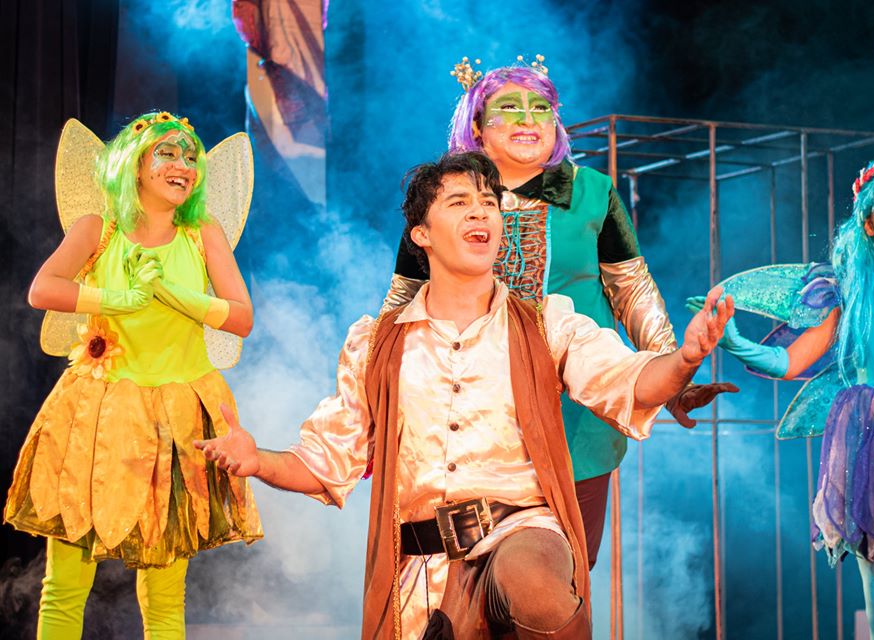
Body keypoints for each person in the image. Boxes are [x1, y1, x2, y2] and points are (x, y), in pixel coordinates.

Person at [196, 151, 733, 639]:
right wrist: (257, 460)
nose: (481, 213)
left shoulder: (546, 323)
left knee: (534, 584)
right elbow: (326, 463)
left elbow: (628, 380)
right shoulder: (376, 344)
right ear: (421, 234)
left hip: (521, 531)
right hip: (420, 574)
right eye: (459, 203)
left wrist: (684, 358)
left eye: (489, 204)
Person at [382, 59, 736, 568]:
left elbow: (632, 289)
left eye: (542, 108)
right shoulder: (444, 199)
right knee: (463, 572)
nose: (529, 119)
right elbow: (403, 302)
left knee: (562, 575)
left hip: (576, 416)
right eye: (510, 108)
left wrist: (672, 373)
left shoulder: (592, 192)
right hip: (468, 409)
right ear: (477, 126)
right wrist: (378, 398)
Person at [4, 112, 262, 639]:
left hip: (176, 416)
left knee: (165, 594)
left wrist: (176, 296)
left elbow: (241, 317)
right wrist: (117, 299)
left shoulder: (202, 233)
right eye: (167, 153)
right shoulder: (98, 228)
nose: (183, 165)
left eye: (190, 157)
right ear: (135, 165)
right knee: (64, 586)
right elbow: (43, 289)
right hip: (96, 415)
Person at [689, 153, 874, 639]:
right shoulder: (848, 293)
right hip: (872, 441)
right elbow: (791, 361)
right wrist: (737, 342)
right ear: (868, 224)